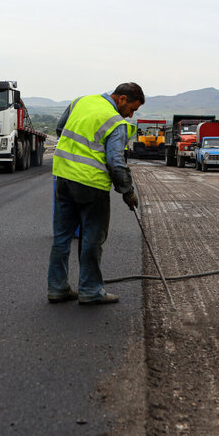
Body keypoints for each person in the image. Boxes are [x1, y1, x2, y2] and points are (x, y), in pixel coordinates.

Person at [47, 82, 144, 305]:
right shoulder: (115, 122)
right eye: (132, 109)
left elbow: (61, 130)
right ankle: (90, 291)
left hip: (63, 177)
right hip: (92, 185)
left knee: (61, 238)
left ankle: (57, 288)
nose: (130, 115)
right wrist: (127, 191)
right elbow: (116, 162)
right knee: (92, 238)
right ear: (121, 99)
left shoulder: (80, 102)